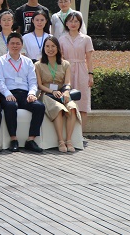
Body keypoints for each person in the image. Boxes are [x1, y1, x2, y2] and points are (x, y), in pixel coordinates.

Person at [0, 33, 45, 152]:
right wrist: (8, 94)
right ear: (7, 45)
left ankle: (31, 140)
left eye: (18, 43)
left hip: (25, 94)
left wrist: (31, 94)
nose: (15, 46)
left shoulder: (28, 62)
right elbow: (0, 82)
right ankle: (13, 139)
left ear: (22, 45)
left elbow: (33, 82)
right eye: (12, 43)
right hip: (8, 93)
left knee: (39, 107)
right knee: (11, 106)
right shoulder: (0, 61)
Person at [35, 36, 80, 152]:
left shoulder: (65, 64)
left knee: (72, 107)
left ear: (58, 48)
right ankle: (60, 141)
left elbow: (67, 82)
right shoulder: (38, 65)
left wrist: (66, 92)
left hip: (62, 94)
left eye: (53, 46)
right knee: (58, 109)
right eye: (47, 46)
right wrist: (52, 91)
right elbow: (39, 85)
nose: (50, 49)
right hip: (46, 95)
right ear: (44, 48)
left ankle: (69, 140)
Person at [59, 12, 94, 144]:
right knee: (67, 102)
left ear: (80, 23)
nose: (73, 24)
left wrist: (91, 74)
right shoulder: (61, 39)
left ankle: (80, 135)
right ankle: (67, 135)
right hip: (66, 71)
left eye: (76, 21)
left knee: (83, 103)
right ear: (66, 24)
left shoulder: (86, 39)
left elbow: (89, 58)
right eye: (70, 21)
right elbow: (60, 58)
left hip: (82, 71)